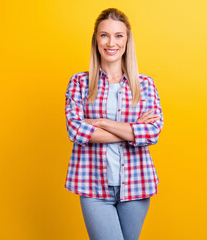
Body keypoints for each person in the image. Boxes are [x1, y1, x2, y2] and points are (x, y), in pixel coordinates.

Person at [64, 8, 164, 240]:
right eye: (104, 35)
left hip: (137, 184)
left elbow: (152, 132)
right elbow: (76, 130)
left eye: (119, 35)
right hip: (92, 185)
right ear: (96, 40)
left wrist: (100, 122)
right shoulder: (80, 83)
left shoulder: (145, 84)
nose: (111, 42)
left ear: (127, 41)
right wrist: (131, 130)